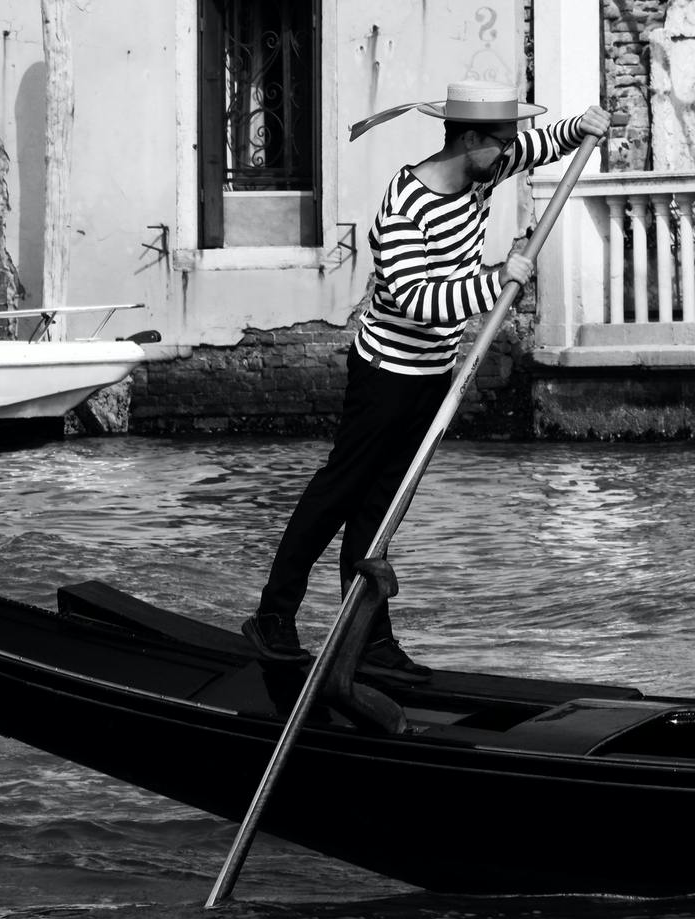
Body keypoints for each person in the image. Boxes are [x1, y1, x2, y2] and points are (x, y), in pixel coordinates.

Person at [242, 80, 611, 681]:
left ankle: (366, 641)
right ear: (468, 140)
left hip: (434, 372)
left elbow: (539, 146)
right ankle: (273, 615)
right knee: (339, 494)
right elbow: (418, 300)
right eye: (502, 141)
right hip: (385, 372)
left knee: (382, 509)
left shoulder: (483, 170)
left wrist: (581, 127)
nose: (511, 151)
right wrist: (497, 281)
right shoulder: (405, 206)